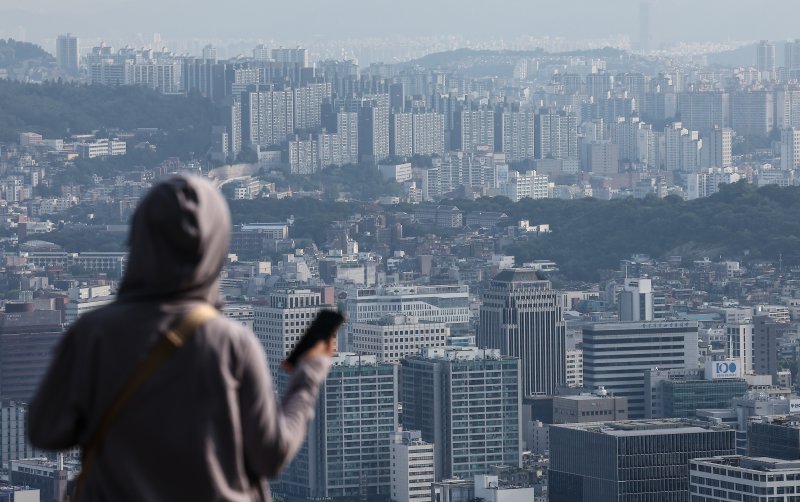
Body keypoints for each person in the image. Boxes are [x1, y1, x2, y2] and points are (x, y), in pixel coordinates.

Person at [28, 174, 333, 501]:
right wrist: (308, 376)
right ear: (214, 247)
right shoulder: (231, 343)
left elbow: (45, 430)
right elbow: (270, 455)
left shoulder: (93, 334)